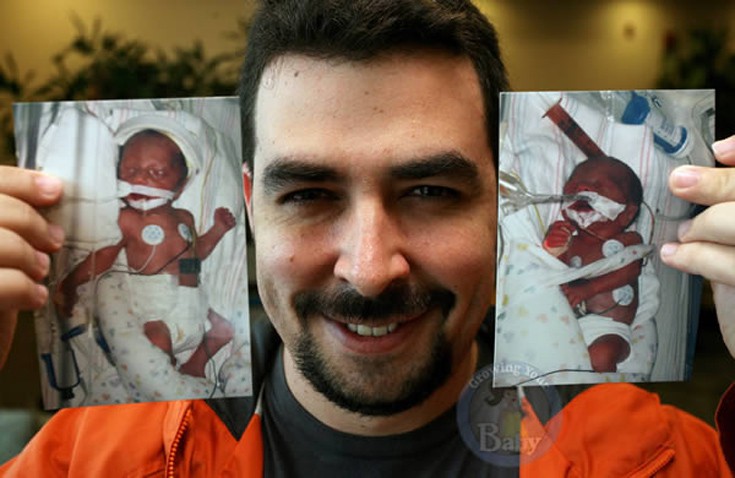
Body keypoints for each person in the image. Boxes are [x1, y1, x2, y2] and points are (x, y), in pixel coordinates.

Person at [1, 0, 735, 476]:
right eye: (308, 195)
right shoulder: (88, 462)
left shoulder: (658, 460)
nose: (370, 268)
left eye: (430, 192)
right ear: (248, 205)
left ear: (502, 200)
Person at [55, 129, 236, 378]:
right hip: (154, 309)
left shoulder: (185, 217)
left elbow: (196, 256)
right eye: (130, 171)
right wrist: (71, 283)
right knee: (157, 341)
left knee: (225, 331)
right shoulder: (127, 219)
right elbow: (105, 256)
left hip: (192, 299)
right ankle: (165, 374)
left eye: (156, 172)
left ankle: (195, 364)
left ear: (181, 186)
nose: (140, 178)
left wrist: (218, 230)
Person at [543, 156, 645, 372]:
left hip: (608, 330)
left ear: (627, 214)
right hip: (569, 326)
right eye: (574, 185)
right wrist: (555, 247)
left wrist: (588, 289)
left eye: (599, 185)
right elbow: (559, 274)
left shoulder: (628, 240)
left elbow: (631, 270)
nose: (582, 188)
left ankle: (603, 389)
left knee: (601, 355)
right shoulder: (573, 242)